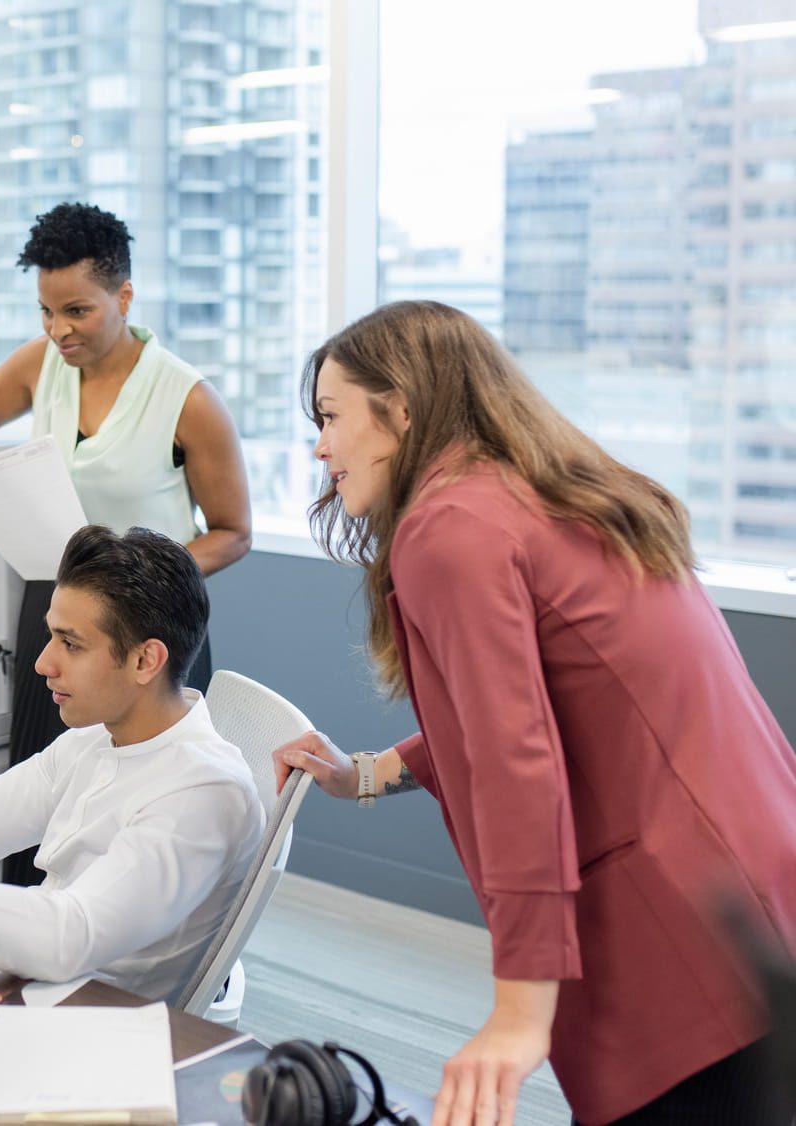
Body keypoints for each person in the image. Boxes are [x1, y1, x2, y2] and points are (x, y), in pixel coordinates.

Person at [272, 301, 796, 1125]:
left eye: (333, 417)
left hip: (677, 927)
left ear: (401, 408)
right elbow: (539, 705)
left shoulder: (448, 528)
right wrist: (368, 773)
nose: (321, 447)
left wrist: (518, 1010)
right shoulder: (534, 493)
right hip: (753, 887)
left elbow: (516, 761)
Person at [0, 202, 254, 880]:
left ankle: (126, 948)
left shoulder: (188, 400)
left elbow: (233, 533)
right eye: (46, 313)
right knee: (41, 790)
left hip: (144, 624)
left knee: (142, 812)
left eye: (77, 311)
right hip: (55, 606)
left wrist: (139, 576)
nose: (59, 330)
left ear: (124, 297)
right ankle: (26, 939)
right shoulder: (42, 363)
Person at [0, 524, 265, 1010]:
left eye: (70, 644)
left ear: (145, 661)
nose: (43, 664)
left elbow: (68, 937)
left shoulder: (202, 792)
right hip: (36, 989)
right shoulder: (94, 740)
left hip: (93, 1026)